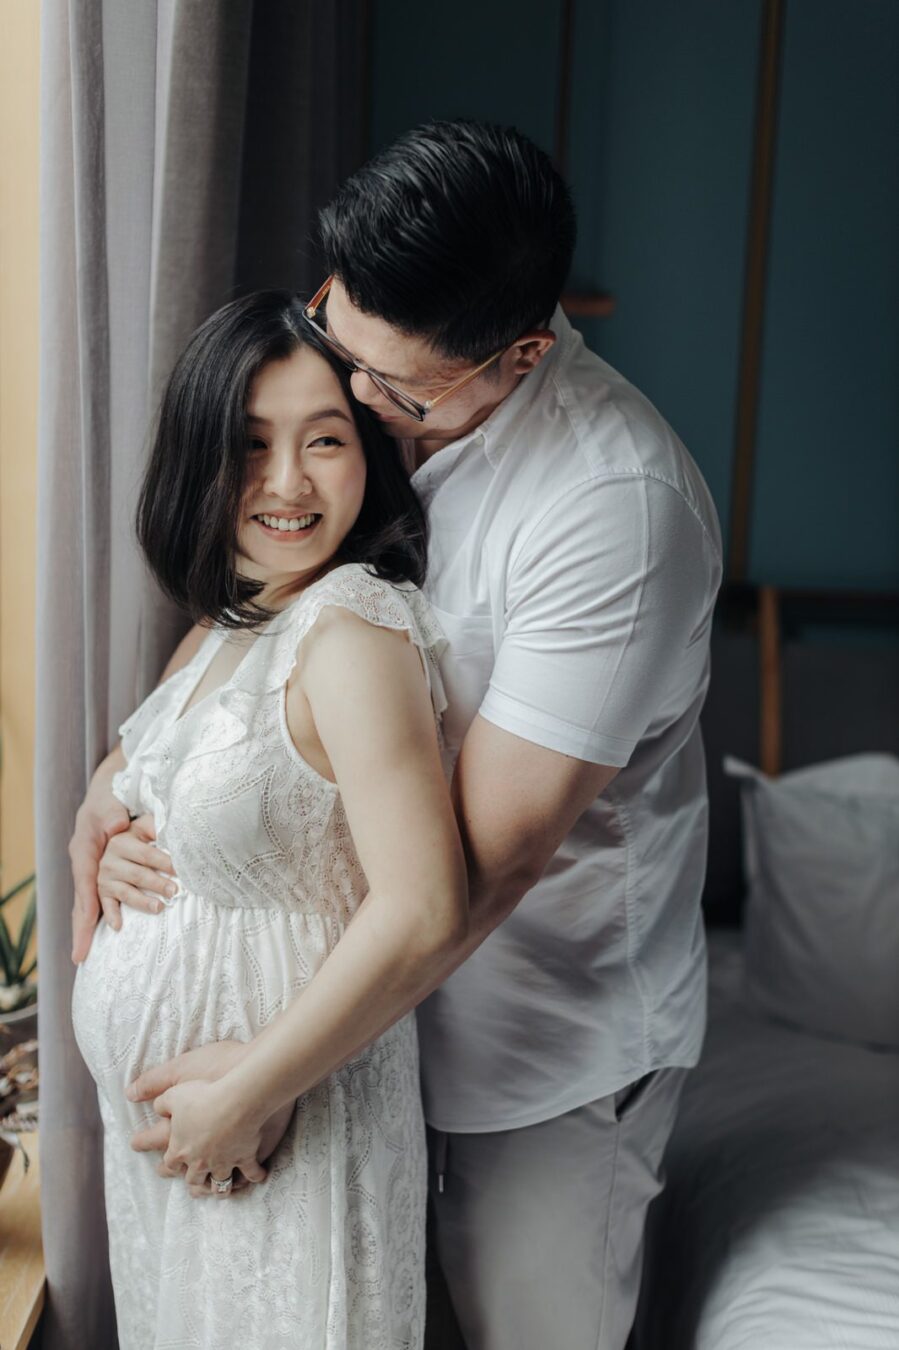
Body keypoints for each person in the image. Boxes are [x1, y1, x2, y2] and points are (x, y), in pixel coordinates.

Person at [71, 121, 723, 1350]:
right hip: (352, 1046)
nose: (359, 409)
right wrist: (113, 794)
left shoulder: (611, 510)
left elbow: (475, 869)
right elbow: (256, 651)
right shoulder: (366, 397)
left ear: (520, 354)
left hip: (533, 1047)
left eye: (391, 392)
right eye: (339, 344)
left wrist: (267, 1077)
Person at [71, 289, 468, 1350]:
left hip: (279, 1128)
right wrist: (98, 815)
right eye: (250, 445)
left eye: (324, 440)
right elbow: (175, 766)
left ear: (370, 454)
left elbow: (427, 906)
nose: (287, 483)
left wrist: (250, 1088)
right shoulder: (233, 619)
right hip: (178, 1155)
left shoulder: (350, 627)